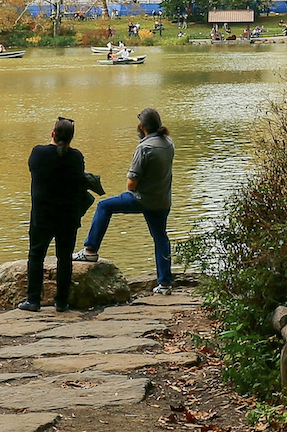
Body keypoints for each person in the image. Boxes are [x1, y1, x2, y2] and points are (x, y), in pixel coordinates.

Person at [76, 107, 176, 294]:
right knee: (160, 237)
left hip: (142, 198)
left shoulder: (144, 148)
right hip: (162, 200)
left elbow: (131, 184)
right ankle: (165, 283)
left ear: (142, 126)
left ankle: (90, 251)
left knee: (104, 206)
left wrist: (135, 186)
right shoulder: (168, 142)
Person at [19, 116, 87, 313]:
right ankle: (62, 302)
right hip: (68, 216)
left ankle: (33, 300)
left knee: (36, 255)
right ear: (71, 138)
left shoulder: (39, 153)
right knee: (64, 258)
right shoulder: (76, 157)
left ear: (52, 134)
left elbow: (33, 168)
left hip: (42, 216)